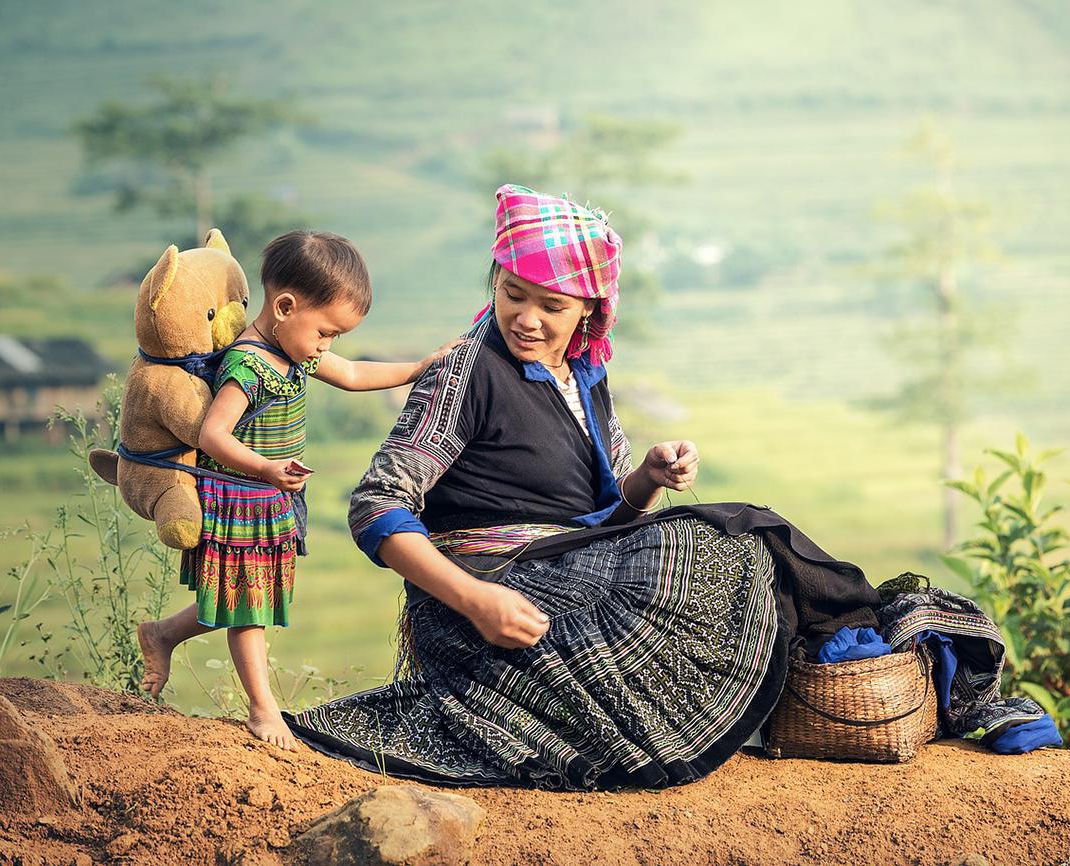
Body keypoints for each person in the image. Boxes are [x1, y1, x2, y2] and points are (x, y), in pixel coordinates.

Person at [284, 185, 884, 789]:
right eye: (511, 295)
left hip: (569, 567)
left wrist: (648, 476)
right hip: (491, 593)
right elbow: (377, 504)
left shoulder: (588, 376)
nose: (527, 318)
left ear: (588, 313)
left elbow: (603, 515)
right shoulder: (467, 369)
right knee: (715, 540)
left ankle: (846, 659)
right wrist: (474, 600)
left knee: (735, 547)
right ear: (493, 283)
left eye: (551, 306)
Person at [136, 230, 459, 749]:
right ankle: (263, 712)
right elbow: (213, 434)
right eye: (326, 333)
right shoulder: (249, 365)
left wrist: (421, 367)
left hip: (271, 499)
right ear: (286, 306)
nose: (328, 347)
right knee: (250, 609)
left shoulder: (295, 351)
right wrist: (264, 468)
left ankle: (163, 633)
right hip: (241, 498)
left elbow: (353, 373)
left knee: (247, 596)